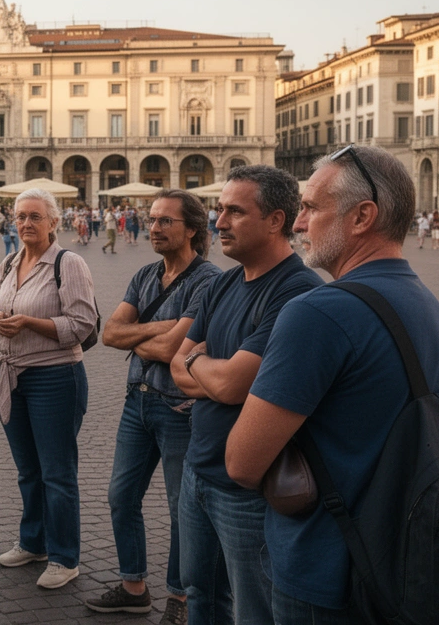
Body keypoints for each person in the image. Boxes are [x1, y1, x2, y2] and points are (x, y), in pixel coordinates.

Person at [225, 145, 439, 624]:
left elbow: (242, 463)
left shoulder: (317, 312)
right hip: (404, 559)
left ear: (362, 217)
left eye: (311, 208)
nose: (298, 223)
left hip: (326, 569)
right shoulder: (429, 305)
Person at [168, 165, 323, 625]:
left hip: (249, 490)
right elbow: (177, 366)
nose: (218, 222)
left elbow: (232, 384)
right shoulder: (223, 282)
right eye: (219, 210)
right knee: (199, 593)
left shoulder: (298, 292)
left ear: (276, 220)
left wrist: (199, 364)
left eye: (234, 212)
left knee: (253, 610)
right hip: (197, 469)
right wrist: (205, 367)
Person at [85, 189, 220, 622]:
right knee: (121, 496)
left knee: (183, 509)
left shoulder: (208, 281)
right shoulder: (145, 274)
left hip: (180, 409)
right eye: (153, 219)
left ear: (192, 229)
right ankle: (133, 587)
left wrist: (143, 333)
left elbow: (171, 350)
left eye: (165, 221)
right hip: (137, 401)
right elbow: (109, 334)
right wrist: (162, 329)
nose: (154, 228)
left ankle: (180, 598)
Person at [0, 188, 97, 590]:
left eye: (35, 216)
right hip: (11, 376)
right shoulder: (8, 263)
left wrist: (29, 323)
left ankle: (64, 558)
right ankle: (33, 542)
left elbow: (82, 324)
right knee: (28, 470)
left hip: (55, 378)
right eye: (20, 216)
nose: (26, 223)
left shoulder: (69, 263)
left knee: (57, 473)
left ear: (53, 222)